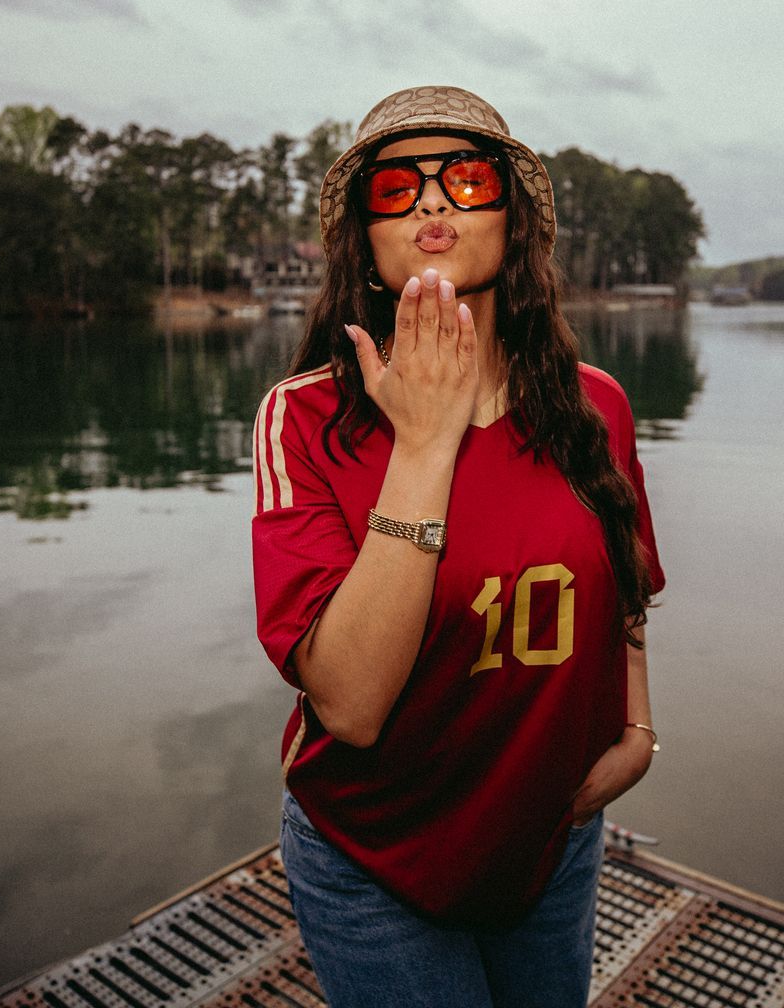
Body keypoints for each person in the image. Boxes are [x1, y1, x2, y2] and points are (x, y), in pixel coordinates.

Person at [251, 85, 667, 1007]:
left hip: (551, 833)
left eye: (466, 179)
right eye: (397, 189)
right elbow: (351, 704)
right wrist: (427, 440)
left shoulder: (596, 404)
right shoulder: (304, 418)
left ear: (512, 223)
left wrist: (635, 730)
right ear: (364, 238)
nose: (433, 203)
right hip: (376, 855)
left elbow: (626, 583)